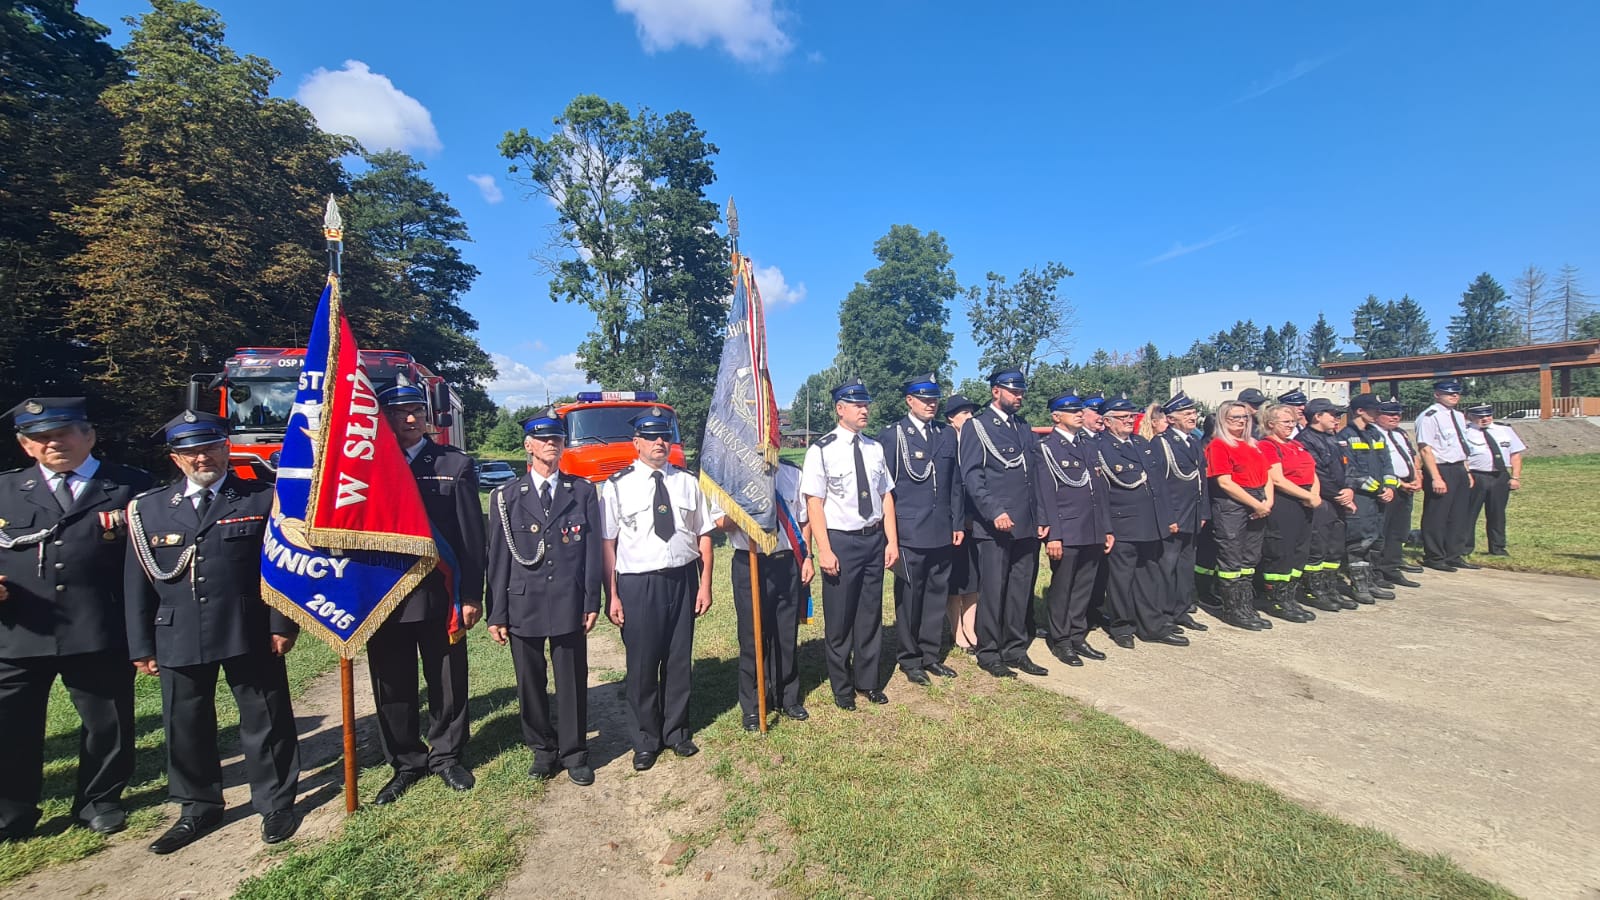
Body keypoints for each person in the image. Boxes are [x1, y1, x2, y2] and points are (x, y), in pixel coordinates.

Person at [124, 411, 300, 852]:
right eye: (190, 452)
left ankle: (275, 802)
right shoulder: (148, 508)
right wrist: (141, 644)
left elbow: (282, 568)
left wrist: (282, 623)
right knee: (185, 723)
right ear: (176, 458)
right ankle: (197, 807)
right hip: (177, 630)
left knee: (265, 717)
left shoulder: (263, 498)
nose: (201, 457)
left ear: (226, 449)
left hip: (249, 626)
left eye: (209, 448)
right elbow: (136, 582)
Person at [0, 398, 151, 842]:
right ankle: (11, 813)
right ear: (25, 446)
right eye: (40, 438)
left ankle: (98, 802)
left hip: (99, 625)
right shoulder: (5, 490)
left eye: (62, 433)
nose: (53, 444)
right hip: (18, 630)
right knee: (10, 726)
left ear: (89, 436)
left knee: (107, 724)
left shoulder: (130, 487)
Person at [368, 384, 485, 804]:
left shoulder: (454, 464)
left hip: (440, 594)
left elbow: (471, 539)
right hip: (383, 597)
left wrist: (471, 595)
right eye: (400, 412)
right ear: (383, 417)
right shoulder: (363, 469)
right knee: (392, 684)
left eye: (417, 410)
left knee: (448, 680)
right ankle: (405, 762)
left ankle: (447, 755)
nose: (411, 419)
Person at [485, 409, 600, 786]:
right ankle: (542, 750)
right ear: (528, 446)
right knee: (529, 682)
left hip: (568, 600)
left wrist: (591, 601)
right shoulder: (506, 497)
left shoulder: (581, 491)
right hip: (525, 602)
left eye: (558, 438)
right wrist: (496, 613)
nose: (552, 444)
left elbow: (591, 553)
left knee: (572, 679)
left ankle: (574, 752)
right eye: (544, 438)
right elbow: (498, 559)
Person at [603, 411, 717, 767]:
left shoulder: (687, 481)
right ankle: (645, 740)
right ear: (636, 442)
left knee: (679, 660)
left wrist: (705, 584)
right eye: (651, 437)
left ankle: (676, 732)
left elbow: (704, 534)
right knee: (642, 664)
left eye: (665, 436)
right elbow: (608, 543)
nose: (659, 443)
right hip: (639, 583)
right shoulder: (617, 485)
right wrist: (612, 594)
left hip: (682, 579)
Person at [801, 379, 897, 708]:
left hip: (873, 539)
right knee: (840, 618)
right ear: (840, 409)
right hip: (841, 541)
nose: (864, 410)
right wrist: (824, 550)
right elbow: (814, 503)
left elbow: (885, 496)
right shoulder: (822, 450)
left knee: (870, 615)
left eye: (866, 404)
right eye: (858, 405)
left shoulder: (874, 448)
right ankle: (842, 688)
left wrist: (891, 541)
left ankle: (867, 682)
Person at [960, 368, 1049, 677]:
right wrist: (994, 510)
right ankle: (989, 651)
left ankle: (1015, 648)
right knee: (993, 590)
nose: (1019, 396)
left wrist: (1042, 516)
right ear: (996, 391)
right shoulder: (978, 426)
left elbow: (1035, 476)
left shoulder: (1023, 426)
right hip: (995, 526)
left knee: (1020, 591)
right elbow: (973, 477)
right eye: (1013, 391)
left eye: (1021, 391)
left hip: (1026, 523)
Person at [878, 374, 962, 686]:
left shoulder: (946, 433)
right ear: (909, 400)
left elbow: (955, 482)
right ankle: (909, 658)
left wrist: (957, 522)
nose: (931, 404)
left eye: (934, 399)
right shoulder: (893, 436)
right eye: (925, 399)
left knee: (937, 596)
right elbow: (886, 491)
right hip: (910, 531)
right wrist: (891, 536)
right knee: (910, 598)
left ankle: (930, 654)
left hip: (941, 529)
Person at [724, 459, 813, 731]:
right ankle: (754, 704)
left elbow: (803, 520)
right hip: (750, 561)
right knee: (752, 635)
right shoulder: (733, 474)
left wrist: (808, 557)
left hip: (786, 561)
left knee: (786, 634)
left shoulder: (792, 473)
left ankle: (787, 697)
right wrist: (748, 501)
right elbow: (721, 523)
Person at [1093, 397, 1185, 648]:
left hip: (1150, 522)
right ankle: (1122, 626)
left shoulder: (1141, 443)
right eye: (1123, 417)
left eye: (1131, 417)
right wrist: (1106, 528)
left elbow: (1159, 485)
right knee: (1121, 579)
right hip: (1123, 523)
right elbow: (1101, 494)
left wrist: (1168, 517)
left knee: (1150, 575)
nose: (1129, 421)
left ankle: (1151, 625)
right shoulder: (1100, 447)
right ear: (1107, 421)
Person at [1036, 391, 1112, 666]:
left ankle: (1077, 635)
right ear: (1056, 416)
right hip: (1067, 530)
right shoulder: (1047, 448)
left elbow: (1099, 491)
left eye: (1081, 410)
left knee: (1083, 587)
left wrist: (1106, 528)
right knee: (1063, 587)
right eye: (1073, 411)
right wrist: (1054, 535)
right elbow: (1046, 495)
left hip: (1091, 528)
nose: (1080, 414)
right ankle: (1061, 640)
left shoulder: (1087, 445)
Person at [1203, 400, 1274, 630]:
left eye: (1244, 417)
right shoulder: (1219, 445)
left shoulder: (1253, 445)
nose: (1241, 421)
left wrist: (1267, 502)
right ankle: (1232, 609)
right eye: (1234, 417)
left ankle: (1245, 605)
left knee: (1250, 558)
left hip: (1258, 500)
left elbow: (1267, 474)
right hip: (1232, 504)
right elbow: (1225, 482)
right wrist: (1256, 504)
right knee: (1231, 556)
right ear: (1223, 420)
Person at [1255, 403, 1320, 623]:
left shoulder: (1297, 444)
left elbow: (1312, 472)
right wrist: (1307, 495)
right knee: (1281, 551)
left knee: (1299, 551)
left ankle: (1290, 597)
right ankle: (1277, 599)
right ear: (1270, 424)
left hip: (1305, 501)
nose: (1291, 425)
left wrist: (1314, 495)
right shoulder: (1267, 445)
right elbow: (1277, 479)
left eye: (1293, 421)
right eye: (1286, 422)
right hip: (1286, 502)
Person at [1153, 392, 1209, 633]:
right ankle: (1164, 613)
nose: (1192, 417)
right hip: (1174, 515)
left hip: (1193, 513)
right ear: (1171, 419)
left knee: (1186, 566)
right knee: (1167, 566)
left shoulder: (1194, 441)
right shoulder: (1161, 443)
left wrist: (1204, 512)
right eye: (1186, 414)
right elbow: (1159, 485)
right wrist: (1168, 517)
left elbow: (1201, 480)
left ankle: (1181, 610)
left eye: (1193, 413)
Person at [1296, 399, 1358, 613]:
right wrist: (1340, 495)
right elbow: (1317, 473)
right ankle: (1313, 590)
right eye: (1332, 414)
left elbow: (1349, 466)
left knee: (1335, 547)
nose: (1336, 419)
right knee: (1318, 547)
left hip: (1339, 500)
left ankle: (1330, 587)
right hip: (1322, 501)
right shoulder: (1305, 440)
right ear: (1317, 416)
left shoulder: (1334, 438)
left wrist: (1349, 489)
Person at [1339, 394, 1398, 603]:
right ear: (1360, 411)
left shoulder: (1376, 434)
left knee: (1376, 540)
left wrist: (1390, 486)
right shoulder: (1345, 436)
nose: (1378, 414)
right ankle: (1359, 585)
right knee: (1359, 542)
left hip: (1380, 498)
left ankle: (1371, 581)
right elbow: (1351, 470)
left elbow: (1387, 463)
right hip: (1362, 497)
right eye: (1374, 410)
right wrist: (1377, 488)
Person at [1414, 379, 1477, 572]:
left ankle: (1454, 554)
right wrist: (1435, 477)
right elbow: (1425, 449)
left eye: (1456, 393)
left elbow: (1460, 445)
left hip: (1458, 467)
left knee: (1459, 515)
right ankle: (1434, 556)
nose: (1454, 396)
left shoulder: (1458, 416)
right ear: (1437, 394)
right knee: (1437, 515)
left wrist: (1467, 471)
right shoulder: (1429, 417)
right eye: (1449, 393)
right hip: (1440, 468)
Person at [942, 395, 981, 655]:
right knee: (956, 577)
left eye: (971, 412)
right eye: (964, 413)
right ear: (950, 418)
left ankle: (971, 626)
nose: (969, 417)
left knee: (974, 577)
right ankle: (956, 629)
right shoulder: (946, 440)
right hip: (951, 520)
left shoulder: (976, 440)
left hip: (976, 519)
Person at [1464, 404, 1526, 558]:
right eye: (1480, 416)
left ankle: (1497, 547)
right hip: (1476, 476)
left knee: (1497, 514)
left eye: (1488, 415)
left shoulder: (1505, 430)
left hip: (1499, 476)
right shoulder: (1465, 432)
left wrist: (1515, 477)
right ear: (1470, 417)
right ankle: (1464, 547)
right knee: (1469, 513)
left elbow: (1515, 455)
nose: (1485, 419)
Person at [1376, 399, 1424, 587]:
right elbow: (1378, 465)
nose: (1395, 417)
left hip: (1406, 487)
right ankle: (1377, 570)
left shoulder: (1400, 433)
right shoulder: (1374, 434)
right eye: (1390, 414)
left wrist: (1417, 475)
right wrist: (1400, 483)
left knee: (1399, 530)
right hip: (1387, 488)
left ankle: (1392, 567)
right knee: (1383, 531)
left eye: (1398, 414)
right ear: (1377, 415)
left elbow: (1411, 455)